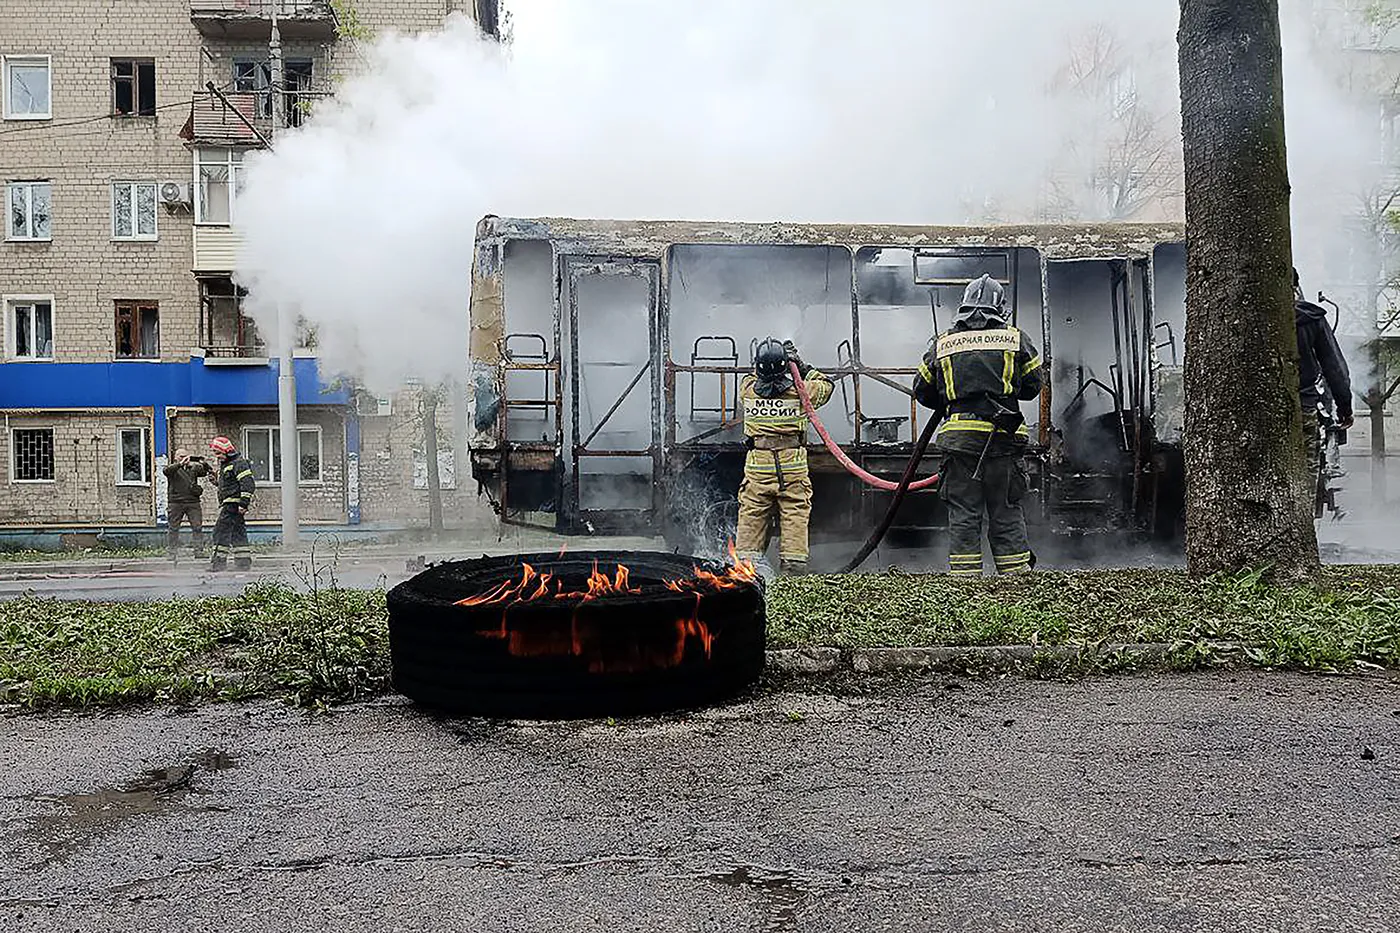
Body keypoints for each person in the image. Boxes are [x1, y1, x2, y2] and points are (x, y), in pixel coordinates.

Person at [912, 274, 1043, 575]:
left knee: (964, 512)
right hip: (1004, 440)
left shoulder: (942, 342)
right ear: (1000, 307)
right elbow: (1034, 385)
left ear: (964, 305)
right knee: (1006, 510)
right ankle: (1015, 580)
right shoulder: (1015, 338)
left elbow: (922, 389)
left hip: (960, 443)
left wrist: (952, 399)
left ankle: (966, 583)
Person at [735, 337, 833, 575]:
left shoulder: (747, 391)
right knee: (795, 513)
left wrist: (766, 360)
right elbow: (826, 385)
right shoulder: (801, 392)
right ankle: (793, 570)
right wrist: (799, 365)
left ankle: (746, 573)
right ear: (784, 367)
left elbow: (753, 375)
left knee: (752, 514)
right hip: (792, 467)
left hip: (758, 468)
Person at [1293, 269, 1353, 475]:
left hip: (1256, 408)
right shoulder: (1311, 318)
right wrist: (1345, 407)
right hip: (1303, 405)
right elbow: (1333, 367)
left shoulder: (1247, 316)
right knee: (1307, 472)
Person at [208, 435, 256, 572]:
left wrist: (243, 504)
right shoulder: (227, 465)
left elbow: (248, 484)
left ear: (227, 451)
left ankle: (218, 564)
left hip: (232, 504)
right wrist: (216, 482)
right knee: (237, 533)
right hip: (231, 503)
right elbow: (232, 485)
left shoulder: (238, 463)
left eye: (218, 453)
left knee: (220, 532)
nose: (217, 456)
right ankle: (243, 563)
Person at [163, 448, 210, 560]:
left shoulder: (193, 468)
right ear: (175, 457)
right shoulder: (173, 468)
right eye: (181, 456)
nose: (184, 459)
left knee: (197, 527)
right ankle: (172, 553)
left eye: (186, 456)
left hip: (193, 502)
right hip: (175, 502)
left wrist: (204, 463)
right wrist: (180, 464)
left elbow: (204, 472)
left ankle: (199, 551)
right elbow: (166, 471)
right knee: (173, 528)